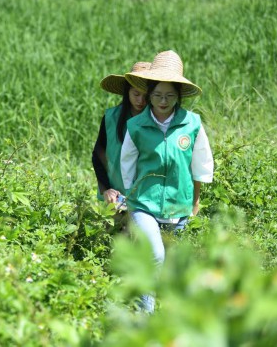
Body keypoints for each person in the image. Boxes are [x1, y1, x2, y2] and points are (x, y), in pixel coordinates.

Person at [120, 50, 214, 313]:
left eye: (170, 95)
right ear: (149, 95)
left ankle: (171, 320)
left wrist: (195, 200)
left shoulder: (191, 124)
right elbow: (127, 165)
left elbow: (201, 164)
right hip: (144, 203)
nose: (163, 101)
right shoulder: (137, 126)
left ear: (179, 96)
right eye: (158, 95)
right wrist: (131, 198)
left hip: (178, 205)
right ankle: (144, 319)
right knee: (156, 255)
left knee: (172, 266)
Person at [92, 61, 151, 208]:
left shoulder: (157, 120)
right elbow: (98, 154)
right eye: (136, 94)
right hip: (117, 196)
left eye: (146, 95)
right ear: (127, 92)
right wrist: (106, 189)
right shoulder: (111, 117)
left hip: (149, 197)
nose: (140, 100)